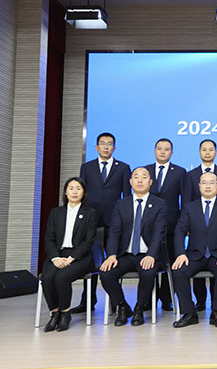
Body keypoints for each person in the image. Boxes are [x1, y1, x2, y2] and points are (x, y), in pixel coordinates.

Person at [99, 167, 167, 326]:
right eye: (136, 177)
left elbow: (159, 233)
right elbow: (114, 231)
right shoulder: (121, 204)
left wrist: (151, 254)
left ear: (150, 182)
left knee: (148, 272)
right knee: (106, 273)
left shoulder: (159, 204)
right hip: (125, 254)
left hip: (148, 254)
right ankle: (122, 306)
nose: (140, 180)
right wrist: (111, 255)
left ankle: (139, 308)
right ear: (130, 182)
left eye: (144, 177)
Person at [74, 132, 131, 313]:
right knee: (90, 260)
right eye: (103, 143)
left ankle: (116, 302)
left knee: (113, 260)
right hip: (90, 221)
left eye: (109, 144)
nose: (106, 147)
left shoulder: (123, 168)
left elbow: (126, 197)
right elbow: (81, 193)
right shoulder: (86, 167)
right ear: (96, 147)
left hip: (114, 221)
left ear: (114, 148)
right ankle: (87, 301)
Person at [171, 172, 217, 328]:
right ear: (199, 186)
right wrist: (180, 254)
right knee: (178, 271)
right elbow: (179, 231)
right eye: (204, 183)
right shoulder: (189, 207)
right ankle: (188, 313)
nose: (208, 186)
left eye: (212, 183)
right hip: (194, 255)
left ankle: (216, 312)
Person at [41, 177, 99, 332]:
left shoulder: (91, 213)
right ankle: (55, 313)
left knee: (61, 277)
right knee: (47, 277)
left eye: (78, 188)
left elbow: (88, 242)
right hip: (58, 254)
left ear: (84, 193)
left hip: (80, 256)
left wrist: (71, 259)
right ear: (65, 192)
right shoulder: (56, 212)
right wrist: (55, 258)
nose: (74, 191)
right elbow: (49, 239)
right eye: (71, 188)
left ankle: (65, 314)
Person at [182, 139, 217, 311]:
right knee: (197, 259)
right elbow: (187, 200)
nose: (207, 152)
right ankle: (200, 301)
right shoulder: (191, 174)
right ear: (199, 152)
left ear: (215, 152)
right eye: (204, 149)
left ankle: (216, 306)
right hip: (197, 226)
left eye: (211, 149)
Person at [144, 138, 187, 311]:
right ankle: (149, 299)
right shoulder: (145, 171)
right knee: (150, 261)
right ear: (155, 151)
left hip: (172, 225)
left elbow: (185, 200)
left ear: (172, 152)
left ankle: (167, 298)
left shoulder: (180, 172)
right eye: (159, 148)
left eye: (167, 149)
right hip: (148, 225)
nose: (163, 152)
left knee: (171, 262)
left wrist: (184, 225)